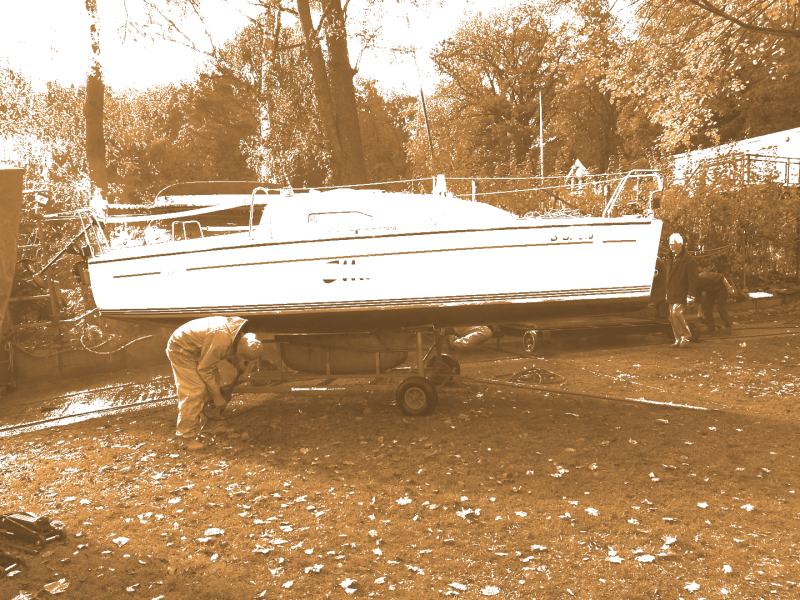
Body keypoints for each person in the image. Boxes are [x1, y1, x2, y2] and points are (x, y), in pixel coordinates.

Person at [167, 317, 264, 450]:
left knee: (213, 385)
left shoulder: (240, 333)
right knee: (195, 391)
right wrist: (217, 397)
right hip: (182, 350)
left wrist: (238, 363)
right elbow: (205, 369)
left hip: (200, 347)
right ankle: (185, 436)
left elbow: (235, 346)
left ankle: (211, 424)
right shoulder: (220, 341)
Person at [666, 234, 699, 348]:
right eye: (670, 245)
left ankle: (686, 336)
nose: (671, 247)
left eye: (674, 245)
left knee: (676, 314)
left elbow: (693, 280)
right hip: (671, 292)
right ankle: (678, 340)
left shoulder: (689, 260)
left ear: (681, 244)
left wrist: (691, 296)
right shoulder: (670, 258)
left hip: (682, 293)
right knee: (672, 317)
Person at [698, 269, 734, 333]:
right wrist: (699, 314)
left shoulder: (704, 276)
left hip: (721, 288)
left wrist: (729, 288)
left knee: (720, 308)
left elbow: (722, 277)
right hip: (711, 290)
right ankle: (711, 326)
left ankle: (728, 326)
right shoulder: (694, 286)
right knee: (706, 306)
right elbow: (699, 301)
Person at [651, 252, 668, 319]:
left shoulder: (657, 261)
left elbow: (654, 275)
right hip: (659, 287)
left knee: (662, 311)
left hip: (662, 287)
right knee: (658, 309)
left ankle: (664, 322)